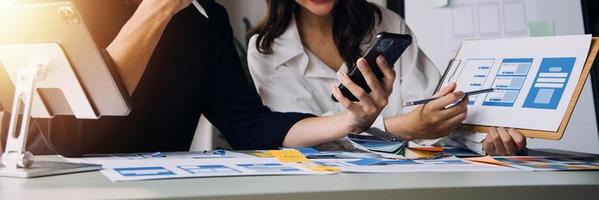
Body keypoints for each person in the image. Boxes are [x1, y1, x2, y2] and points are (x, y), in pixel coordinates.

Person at [5, 0, 395, 156]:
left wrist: (349, 121)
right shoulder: (54, 8)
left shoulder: (206, 18)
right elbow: (73, 135)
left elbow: (248, 125)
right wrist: (158, 9)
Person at [248, 0, 526, 155]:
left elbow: (436, 113)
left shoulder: (385, 22)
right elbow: (301, 137)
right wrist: (406, 127)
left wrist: (487, 144)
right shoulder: (267, 49)